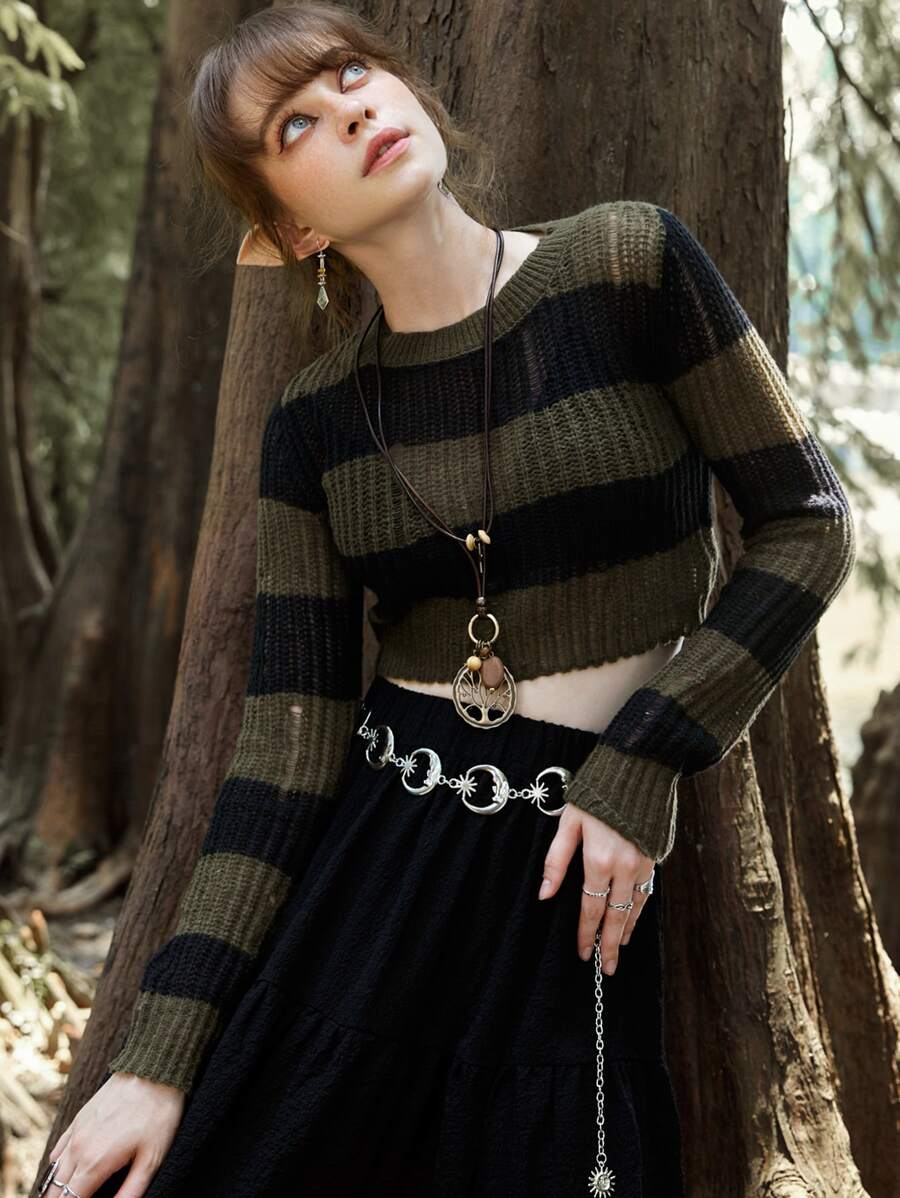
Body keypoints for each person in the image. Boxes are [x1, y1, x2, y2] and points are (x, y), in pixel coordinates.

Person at [38, 4, 856, 1198]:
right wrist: (154, 1058)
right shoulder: (317, 422)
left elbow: (808, 522)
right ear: (293, 226)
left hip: (578, 872)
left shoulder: (626, 265)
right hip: (386, 861)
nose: (350, 108)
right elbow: (282, 753)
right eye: (295, 124)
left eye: (352, 72)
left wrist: (648, 756)